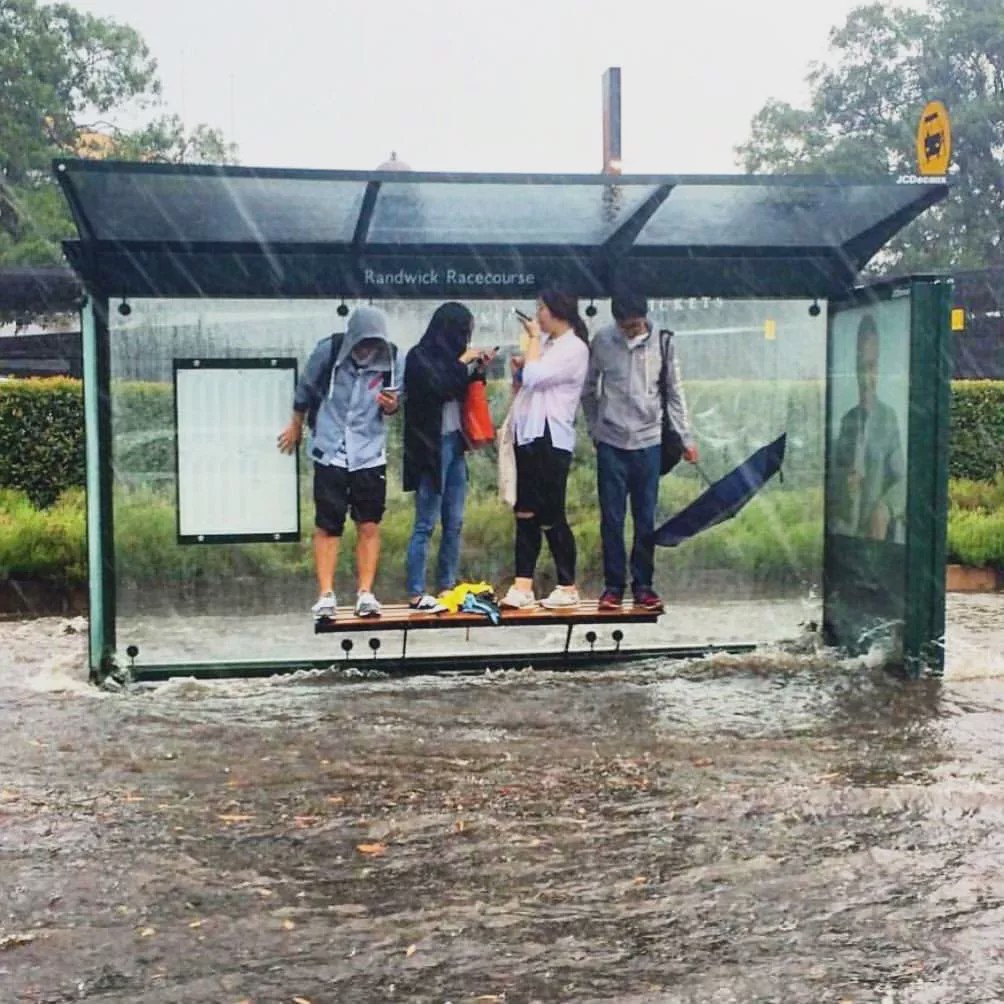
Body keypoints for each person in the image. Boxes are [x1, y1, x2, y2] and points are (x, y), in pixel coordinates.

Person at [277, 305, 399, 620]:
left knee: (369, 523)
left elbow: (396, 403)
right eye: (363, 342)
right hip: (330, 448)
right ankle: (326, 593)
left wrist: (391, 406)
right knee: (328, 524)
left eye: (374, 343)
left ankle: (365, 593)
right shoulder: (329, 351)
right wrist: (296, 424)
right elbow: (305, 389)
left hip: (369, 452)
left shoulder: (392, 359)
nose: (368, 349)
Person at [581, 291, 698, 612]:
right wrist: (595, 429)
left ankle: (644, 585)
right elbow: (589, 390)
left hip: (649, 442)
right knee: (612, 519)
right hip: (611, 443)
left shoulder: (663, 341)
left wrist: (686, 439)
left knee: (645, 519)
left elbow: (675, 393)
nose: (629, 332)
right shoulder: (602, 341)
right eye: (624, 327)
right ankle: (613, 587)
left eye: (634, 326)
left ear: (644, 318)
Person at [500, 288, 590, 610]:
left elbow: (536, 377)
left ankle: (567, 586)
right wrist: (522, 364)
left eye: (541, 309)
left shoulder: (574, 348)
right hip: (528, 433)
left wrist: (533, 344)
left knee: (551, 513)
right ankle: (522, 585)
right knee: (525, 511)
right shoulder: (549, 346)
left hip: (551, 437)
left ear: (556, 310)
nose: (537, 315)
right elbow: (527, 379)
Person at [403, 302, 496, 609]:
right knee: (425, 522)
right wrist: (462, 361)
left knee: (454, 521)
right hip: (430, 447)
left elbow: (462, 388)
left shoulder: (454, 361)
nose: (465, 339)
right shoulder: (419, 357)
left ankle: (447, 584)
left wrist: (478, 368)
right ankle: (416, 590)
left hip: (455, 442)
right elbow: (438, 386)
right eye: (463, 332)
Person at [830, 313, 905, 540]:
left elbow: (903, 480)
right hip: (846, 534)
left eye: (871, 366)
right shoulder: (848, 420)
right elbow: (833, 476)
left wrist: (885, 508)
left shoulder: (888, 418)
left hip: (876, 539)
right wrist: (844, 483)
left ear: (879, 367)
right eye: (861, 366)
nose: (866, 376)